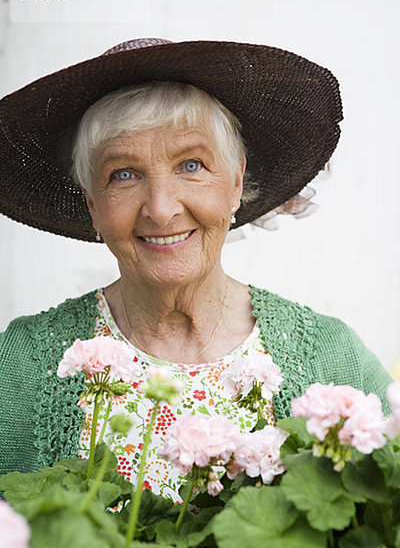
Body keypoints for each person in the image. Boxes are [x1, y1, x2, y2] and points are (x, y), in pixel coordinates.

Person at [0, 38, 392, 500]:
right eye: (123, 174)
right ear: (92, 203)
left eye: (191, 164)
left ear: (236, 183)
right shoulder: (20, 368)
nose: (161, 210)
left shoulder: (334, 361)